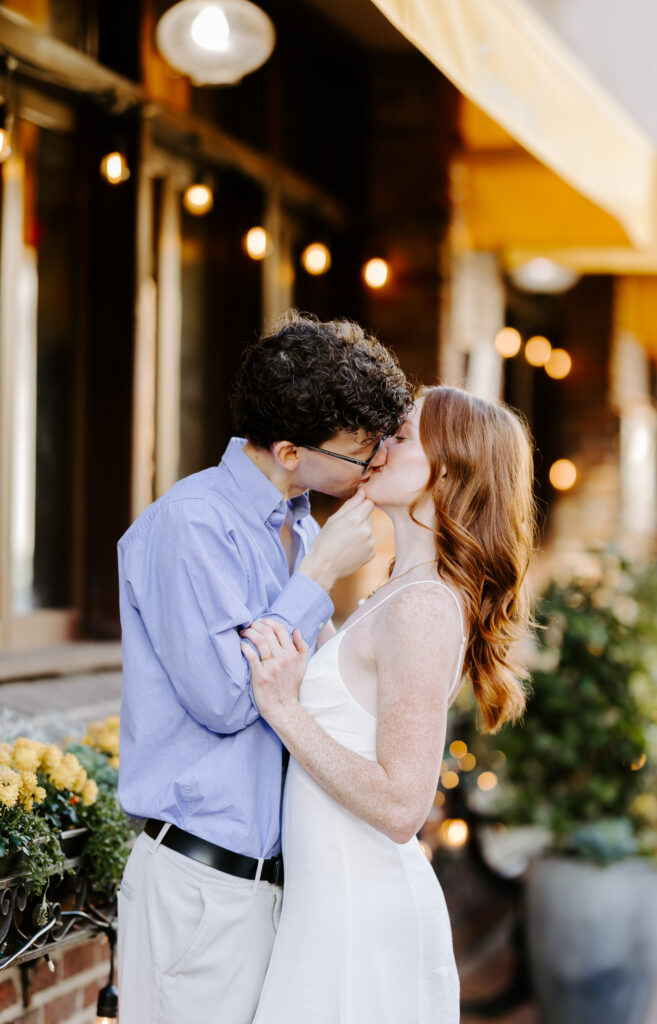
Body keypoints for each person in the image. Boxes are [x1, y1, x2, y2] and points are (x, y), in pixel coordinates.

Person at [115, 311, 413, 1024]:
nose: (372, 466)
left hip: (278, 886)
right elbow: (225, 699)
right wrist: (315, 578)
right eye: (359, 451)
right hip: (202, 883)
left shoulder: (301, 523)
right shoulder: (191, 525)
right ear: (287, 450)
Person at [241, 385, 537, 1024]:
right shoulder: (393, 591)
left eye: (401, 437)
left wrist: (283, 709)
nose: (379, 448)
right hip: (331, 907)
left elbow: (403, 805)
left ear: (448, 469)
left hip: (359, 915)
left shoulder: (425, 607)